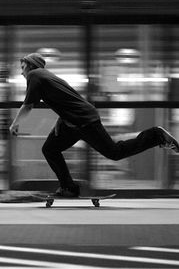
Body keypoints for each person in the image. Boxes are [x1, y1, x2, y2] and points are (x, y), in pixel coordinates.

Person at [9, 53, 179, 197]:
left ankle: (156, 135)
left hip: (84, 120)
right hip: (74, 121)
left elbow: (28, 105)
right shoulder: (47, 77)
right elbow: (67, 101)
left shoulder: (35, 75)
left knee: (114, 152)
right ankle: (68, 187)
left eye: (23, 68)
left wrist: (15, 124)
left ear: (31, 66)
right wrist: (61, 121)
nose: (22, 72)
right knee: (50, 149)